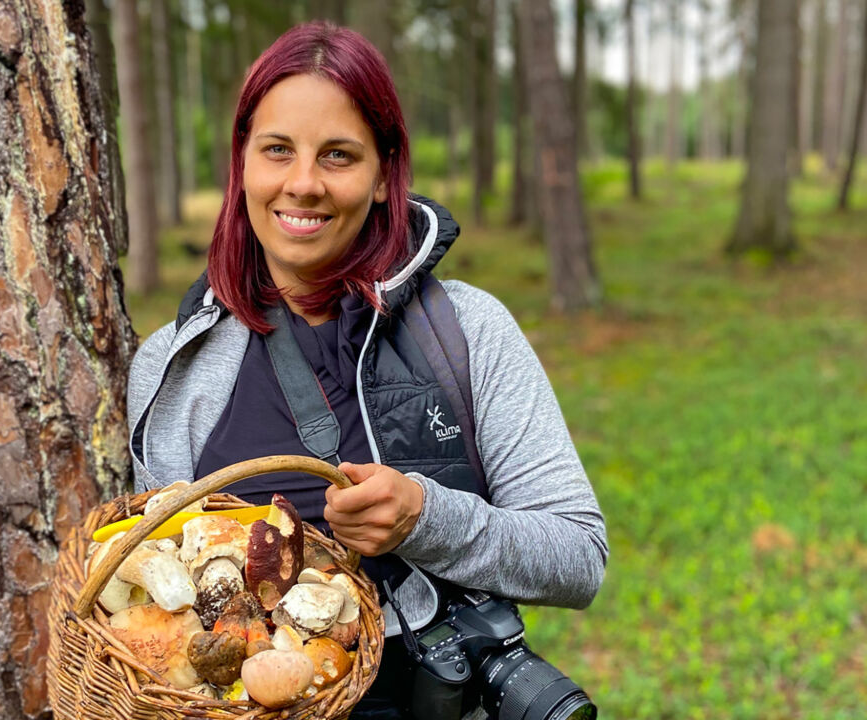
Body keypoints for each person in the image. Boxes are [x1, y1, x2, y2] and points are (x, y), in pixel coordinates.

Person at [126, 22, 607, 719]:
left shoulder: (467, 332)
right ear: (242, 165)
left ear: (384, 173)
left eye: (339, 156)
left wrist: (426, 518)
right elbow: (162, 612)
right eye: (278, 150)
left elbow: (578, 556)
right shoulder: (174, 368)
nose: (303, 184)